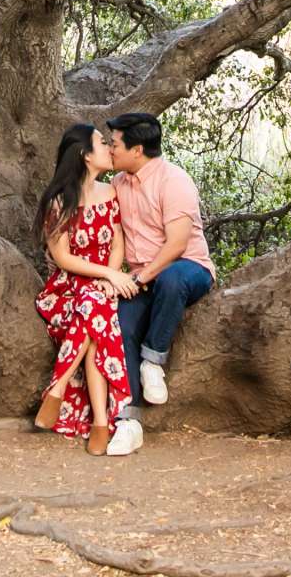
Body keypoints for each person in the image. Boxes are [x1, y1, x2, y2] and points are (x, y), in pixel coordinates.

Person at [30, 122, 143, 456]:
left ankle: (60, 388)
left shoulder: (110, 192)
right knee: (95, 314)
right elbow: (63, 258)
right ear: (84, 154)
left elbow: (118, 243)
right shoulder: (58, 200)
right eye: (101, 142)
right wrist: (109, 276)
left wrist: (110, 276)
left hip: (99, 288)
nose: (109, 147)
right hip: (66, 291)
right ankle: (99, 422)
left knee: (95, 319)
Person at [104, 112, 215, 409]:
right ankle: (129, 418)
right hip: (144, 279)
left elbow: (177, 245)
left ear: (137, 150)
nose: (109, 149)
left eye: (114, 144)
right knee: (121, 324)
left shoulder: (174, 180)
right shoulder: (117, 183)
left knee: (172, 277)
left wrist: (139, 278)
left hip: (189, 269)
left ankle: (153, 360)